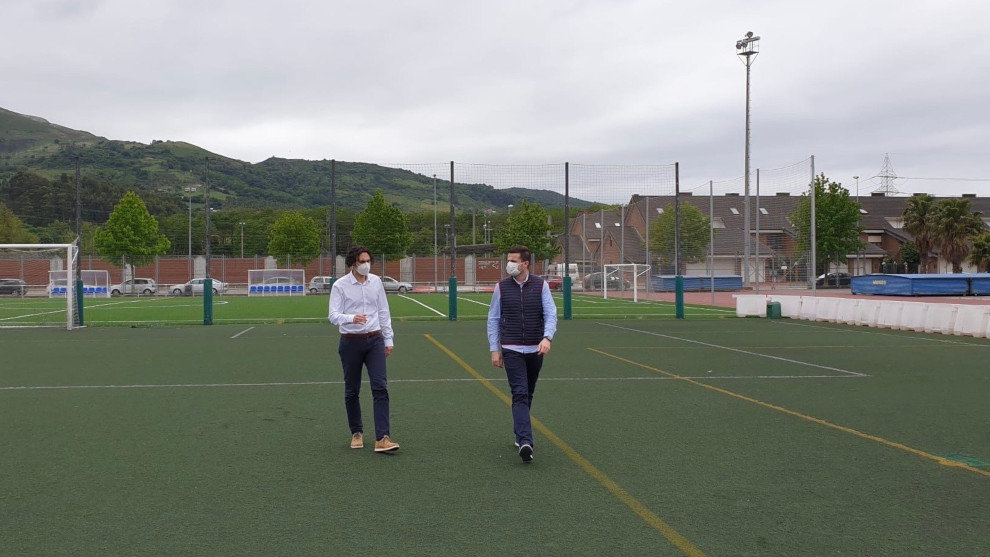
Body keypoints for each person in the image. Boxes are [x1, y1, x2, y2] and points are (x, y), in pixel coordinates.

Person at [487, 245, 558, 463]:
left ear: (525, 264)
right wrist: (494, 349)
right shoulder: (501, 287)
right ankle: (526, 441)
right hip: (511, 348)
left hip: (535, 349)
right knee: (519, 392)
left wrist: (547, 337)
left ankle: (520, 432)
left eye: (513, 260)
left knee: (528, 392)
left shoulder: (541, 286)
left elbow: (551, 313)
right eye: (508, 259)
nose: (509, 264)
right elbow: (493, 319)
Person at [328, 245, 399, 453]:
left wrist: (389, 339)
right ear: (353, 263)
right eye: (362, 261)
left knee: (380, 386)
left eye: (368, 261)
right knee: (352, 390)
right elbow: (333, 315)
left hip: (375, 339)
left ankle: (383, 438)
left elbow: (384, 311)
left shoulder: (376, 282)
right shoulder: (340, 286)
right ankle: (357, 432)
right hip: (350, 341)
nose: (366, 265)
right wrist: (351, 318)